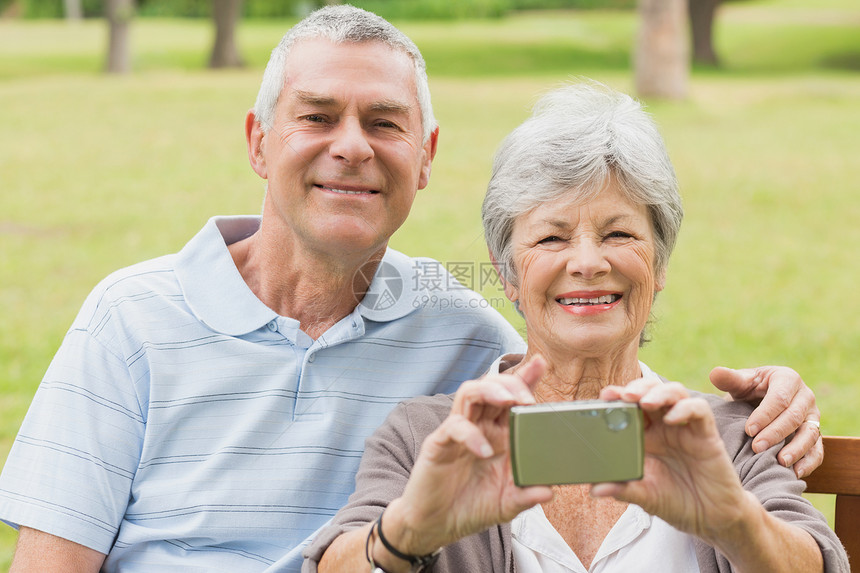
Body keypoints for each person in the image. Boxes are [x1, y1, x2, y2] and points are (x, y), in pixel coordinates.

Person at [0, 6, 822, 573]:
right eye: (318, 116)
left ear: (425, 156)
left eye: (384, 123)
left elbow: (589, 357)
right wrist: (407, 532)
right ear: (259, 141)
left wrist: (769, 413)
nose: (352, 148)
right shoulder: (130, 318)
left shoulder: (457, 335)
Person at [304, 83, 847, 573]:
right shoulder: (426, 438)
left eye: (618, 234)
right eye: (551, 238)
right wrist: (408, 533)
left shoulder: (728, 437)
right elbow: (335, 561)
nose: (587, 262)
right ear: (508, 274)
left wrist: (731, 518)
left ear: (659, 265)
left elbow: (818, 562)